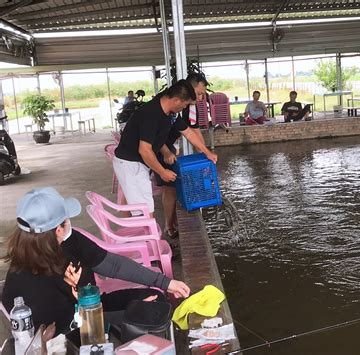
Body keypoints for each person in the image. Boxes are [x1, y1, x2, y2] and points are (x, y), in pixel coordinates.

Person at [2, 187, 190, 341]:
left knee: (156, 298)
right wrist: (131, 315)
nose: (69, 223)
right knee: (150, 316)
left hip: (92, 305)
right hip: (70, 336)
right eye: (66, 219)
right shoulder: (27, 282)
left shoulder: (71, 240)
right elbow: (63, 333)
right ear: (58, 229)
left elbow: (112, 265)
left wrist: (165, 282)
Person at [113, 80, 217, 218]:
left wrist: (207, 152)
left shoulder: (170, 113)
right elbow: (144, 150)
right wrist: (162, 172)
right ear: (176, 100)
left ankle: (145, 236)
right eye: (185, 104)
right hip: (130, 164)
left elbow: (188, 132)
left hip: (138, 163)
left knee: (143, 207)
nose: (184, 108)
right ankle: (148, 238)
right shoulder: (151, 114)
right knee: (144, 211)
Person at [157, 73, 208, 238]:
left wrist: (205, 153)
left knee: (175, 184)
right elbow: (154, 137)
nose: (200, 98)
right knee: (170, 187)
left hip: (168, 145)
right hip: (159, 146)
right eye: (199, 93)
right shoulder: (169, 104)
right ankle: (169, 225)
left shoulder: (190, 107)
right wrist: (166, 151)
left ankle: (174, 221)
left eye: (202, 95)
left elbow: (193, 130)